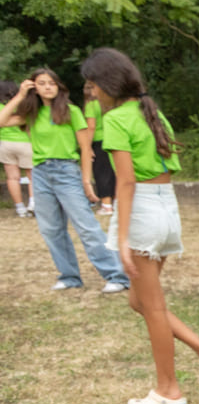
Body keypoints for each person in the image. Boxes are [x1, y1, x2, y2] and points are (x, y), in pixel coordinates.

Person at [80, 48, 199, 404]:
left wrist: (120, 238)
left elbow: (127, 182)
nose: (91, 95)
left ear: (107, 84)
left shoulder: (117, 118)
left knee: (151, 307)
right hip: (167, 208)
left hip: (142, 212)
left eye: (92, 87)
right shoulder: (154, 114)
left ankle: (168, 391)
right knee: (140, 301)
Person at [0, 68, 128, 292]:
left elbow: (87, 149)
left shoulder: (71, 111)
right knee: (51, 229)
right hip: (40, 172)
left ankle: (116, 275)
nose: (48, 87)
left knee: (86, 226)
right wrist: (20, 95)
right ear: (34, 87)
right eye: (41, 83)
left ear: (59, 86)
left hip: (66, 171)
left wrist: (87, 182)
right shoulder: (31, 113)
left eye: (52, 83)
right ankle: (69, 277)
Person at [0, 80, 35, 217]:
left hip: (5, 144)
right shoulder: (21, 105)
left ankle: (20, 208)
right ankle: (33, 204)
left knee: (12, 178)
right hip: (25, 143)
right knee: (32, 176)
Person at [83, 81, 116, 214]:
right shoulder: (112, 102)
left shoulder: (91, 104)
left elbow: (91, 127)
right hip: (114, 139)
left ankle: (106, 205)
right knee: (114, 172)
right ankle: (116, 202)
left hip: (98, 141)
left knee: (101, 173)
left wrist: (87, 146)